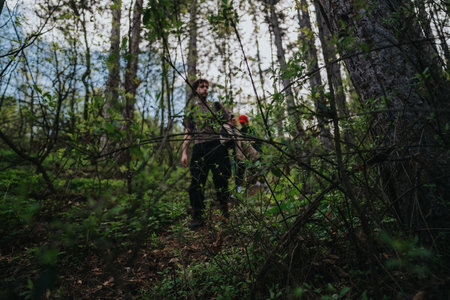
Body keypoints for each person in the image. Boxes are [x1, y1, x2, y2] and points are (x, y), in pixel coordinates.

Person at [181, 78, 232, 230]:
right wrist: (184, 152)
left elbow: (229, 120)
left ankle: (225, 213)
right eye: (202, 87)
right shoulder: (191, 109)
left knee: (221, 180)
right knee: (196, 184)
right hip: (199, 148)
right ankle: (198, 217)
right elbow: (188, 131)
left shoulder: (216, 106)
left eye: (207, 87)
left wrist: (229, 127)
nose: (205, 89)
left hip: (217, 146)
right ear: (196, 89)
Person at [236, 114, 262, 192]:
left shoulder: (251, 129)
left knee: (256, 170)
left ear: (247, 121)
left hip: (254, 153)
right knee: (241, 170)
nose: (242, 124)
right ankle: (240, 189)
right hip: (244, 154)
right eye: (241, 122)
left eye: (243, 122)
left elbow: (257, 142)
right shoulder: (240, 131)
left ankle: (261, 186)